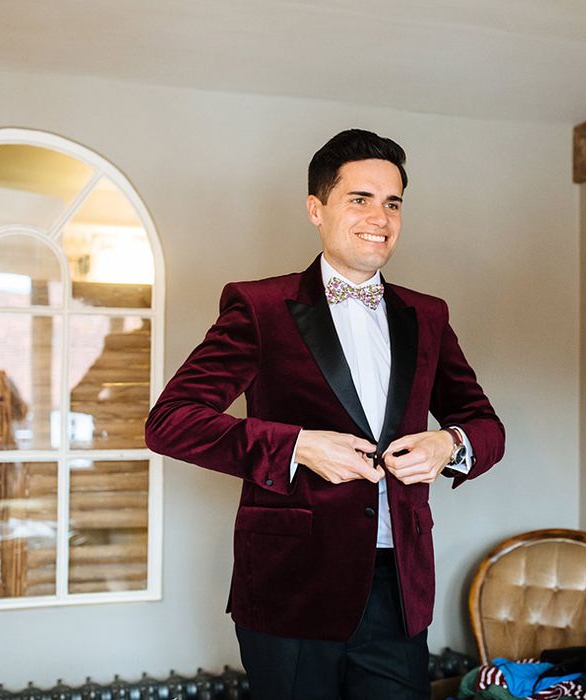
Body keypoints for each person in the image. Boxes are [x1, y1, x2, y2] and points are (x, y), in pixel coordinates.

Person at [145, 129, 505, 700]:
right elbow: (170, 420)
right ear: (317, 209)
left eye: (392, 203)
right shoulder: (259, 307)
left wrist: (449, 445)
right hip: (291, 587)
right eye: (359, 199)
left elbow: (486, 426)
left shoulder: (428, 315)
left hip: (398, 588)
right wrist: (295, 447)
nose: (379, 217)